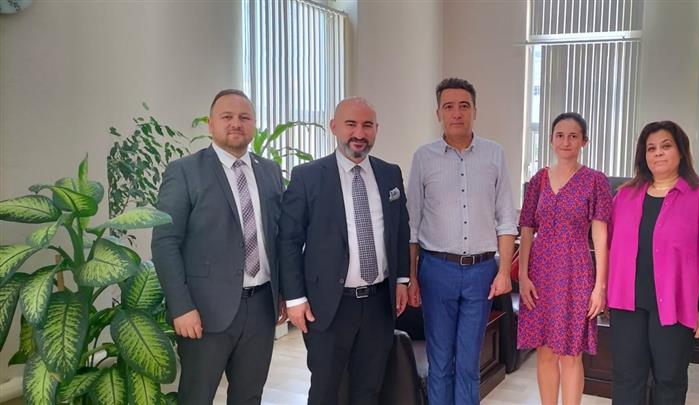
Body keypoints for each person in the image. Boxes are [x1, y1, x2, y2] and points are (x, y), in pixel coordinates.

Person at [152, 89, 287, 404]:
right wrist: (181, 307)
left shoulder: (269, 171)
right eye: (227, 117)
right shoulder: (185, 171)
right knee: (196, 397)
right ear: (210, 124)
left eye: (244, 117)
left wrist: (282, 291)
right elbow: (165, 242)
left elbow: (279, 236)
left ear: (254, 124)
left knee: (249, 396)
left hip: (261, 307)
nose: (236, 123)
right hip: (204, 312)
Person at [278, 97, 410, 405]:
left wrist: (402, 279)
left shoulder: (390, 174)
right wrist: (295, 299)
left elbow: (401, 229)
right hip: (329, 306)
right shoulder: (308, 177)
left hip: (379, 303)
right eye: (351, 124)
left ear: (376, 129)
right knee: (325, 390)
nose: (359, 134)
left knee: (368, 390)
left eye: (367, 125)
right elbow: (289, 240)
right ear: (334, 126)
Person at [607, 121, 699, 405]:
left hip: (674, 306)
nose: (658, 153)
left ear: (681, 151)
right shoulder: (624, 196)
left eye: (666, 146)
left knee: (669, 379)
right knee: (626, 378)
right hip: (626, 304)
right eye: (651, 148)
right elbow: (607, 246)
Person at [406, 77, 517, 405]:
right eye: (449, 106)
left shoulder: (494, 154)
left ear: (474, 111)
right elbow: (412, 223)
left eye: (464, 106)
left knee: (469, 364)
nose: (457, 113)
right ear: (438, 112)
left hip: (481, 272)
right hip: (436, 270)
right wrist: (411, 276)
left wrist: (503, 272)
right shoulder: (423, 157)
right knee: (440, 362)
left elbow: (506, 218)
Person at [517, 112, 611, 405]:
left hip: (576, 271)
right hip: (540, 273)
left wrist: (600, 286)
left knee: (571, 354)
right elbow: (527, 228)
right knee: (545, 351)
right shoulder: (539, 179)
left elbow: (600, 236)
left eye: (573, 136)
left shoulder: (595, 181)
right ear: (551, 140)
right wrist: (522, 275)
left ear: (584, 141)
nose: (566, 141)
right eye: (560, 135)